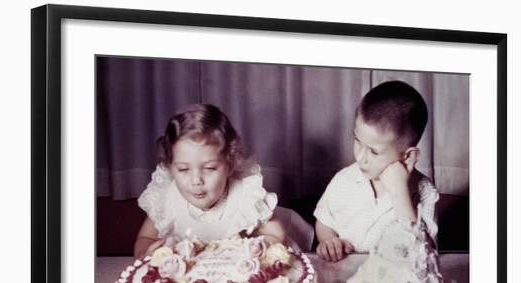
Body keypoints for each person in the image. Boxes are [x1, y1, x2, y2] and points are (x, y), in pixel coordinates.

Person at [134, 103, 285, 259]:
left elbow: (276, 233)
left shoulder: (246, 196)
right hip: (186, 280)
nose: (196, 181)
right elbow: (145, 239)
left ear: (230, 165)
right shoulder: (166, 199)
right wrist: (147, 253)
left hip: (236, 276)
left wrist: (259, 248)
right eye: (184, 170)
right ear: (170, 167)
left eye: (210, 168)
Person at [314, 80, 439, 262]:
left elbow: (423, 256)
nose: (360, 157)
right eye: (357, 140)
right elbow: (325, 222)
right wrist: (329, 240)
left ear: (408, 157)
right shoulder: (344, 179)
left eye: (374, 151)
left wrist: (400, 193)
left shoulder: (426, 192)